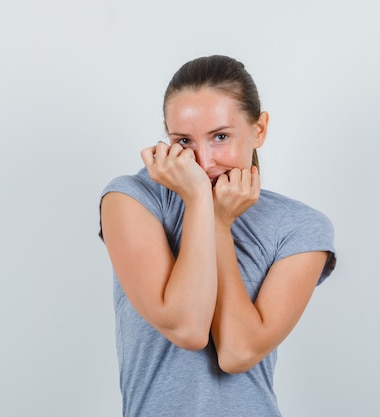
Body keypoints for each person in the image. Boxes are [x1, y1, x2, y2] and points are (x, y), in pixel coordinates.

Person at [99, 55, 336, 417]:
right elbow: (188, 327)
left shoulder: (299, 226)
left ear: (259, 129)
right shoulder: (131, 199)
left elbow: (238, 352)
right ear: (167, 134)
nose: (204, 162)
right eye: (185, 141)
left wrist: (220, 226)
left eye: (220, 137)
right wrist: (198, 200)